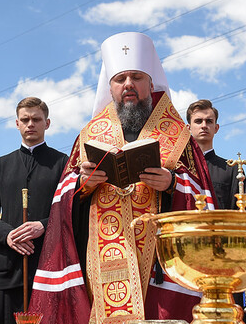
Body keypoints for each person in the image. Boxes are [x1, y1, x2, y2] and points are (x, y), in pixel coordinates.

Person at [30, 32, 216, 323]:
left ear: (150, 83)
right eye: (120, 79)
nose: (128, 84)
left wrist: (172, 184)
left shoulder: (178, 134)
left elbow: (203, 197)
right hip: (101, 255)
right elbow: (63, 200)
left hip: (159, 262)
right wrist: (82, 184)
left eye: (136, 77)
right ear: (111, 87)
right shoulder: (89, 134)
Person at [0, 97, 69, 324]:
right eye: (25, 119)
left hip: (50, 267)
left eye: (36, 119)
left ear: (47, 123)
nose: (30, 124)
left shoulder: (63, 163)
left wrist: (43, 225)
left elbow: (71, 208)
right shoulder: (0, 165)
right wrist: (8, 235)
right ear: (16, 123)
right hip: (9, 269)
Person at [187, 99, 246, 210]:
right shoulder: (180, 167)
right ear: (188, 128)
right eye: (198, 121)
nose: (204, 125)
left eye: (209, 121)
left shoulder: (232, 168)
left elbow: (244, 211)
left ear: (216, 128)